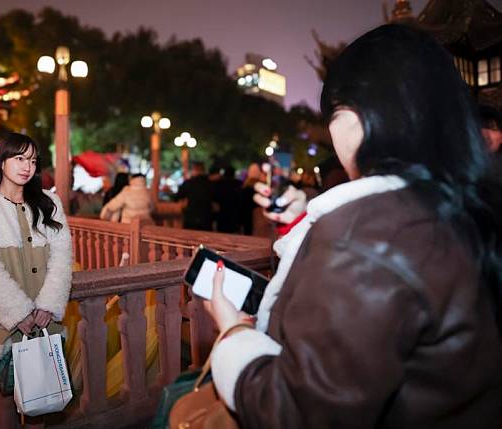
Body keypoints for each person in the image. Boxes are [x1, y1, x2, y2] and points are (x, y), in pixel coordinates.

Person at [204, 24, 502, 428]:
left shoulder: (364, 234)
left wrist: (232, 335)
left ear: (362, 114)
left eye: (335, 113)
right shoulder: (463, 204)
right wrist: (302, 221)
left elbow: (296, 411)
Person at [0, 133, 72, 422]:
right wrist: (18, 312)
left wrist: (48, 304)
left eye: (33, 160)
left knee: (45, 399)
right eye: (20, 158)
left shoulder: (49, 203)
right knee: (7, 404)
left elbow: (62, 257)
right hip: (4, 324)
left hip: (46, 321)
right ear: (2, 160)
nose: (27, 166)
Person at [175, 162, 213, 230]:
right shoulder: (210, 183)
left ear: (194, 170)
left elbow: (177, 196)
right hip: (206, 217)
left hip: (191, 216)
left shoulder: (189, 183)